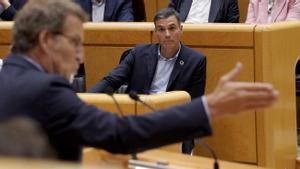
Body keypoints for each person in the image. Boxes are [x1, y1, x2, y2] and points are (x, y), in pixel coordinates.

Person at [0, 0, 278, 162]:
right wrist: (209, 107)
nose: (80, 55)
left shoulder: (8, 75)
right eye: (75, 43)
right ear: (47, 41)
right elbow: (121, 134)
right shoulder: (46, 90)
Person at [89, 8, 206, 155]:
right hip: (138, 121)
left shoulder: (196, 61)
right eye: (161, 29)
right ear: (156, 32)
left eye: (172, 28)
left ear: (181, 30)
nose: (167, 35)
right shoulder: (139, 53)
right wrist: (86, 100)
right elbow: (111, 81)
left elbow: (195, 107)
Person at [168, 0, 239, 23]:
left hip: (212, 40)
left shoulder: (228, 1)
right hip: (182, 39)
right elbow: (169, 17)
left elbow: (233, 26)